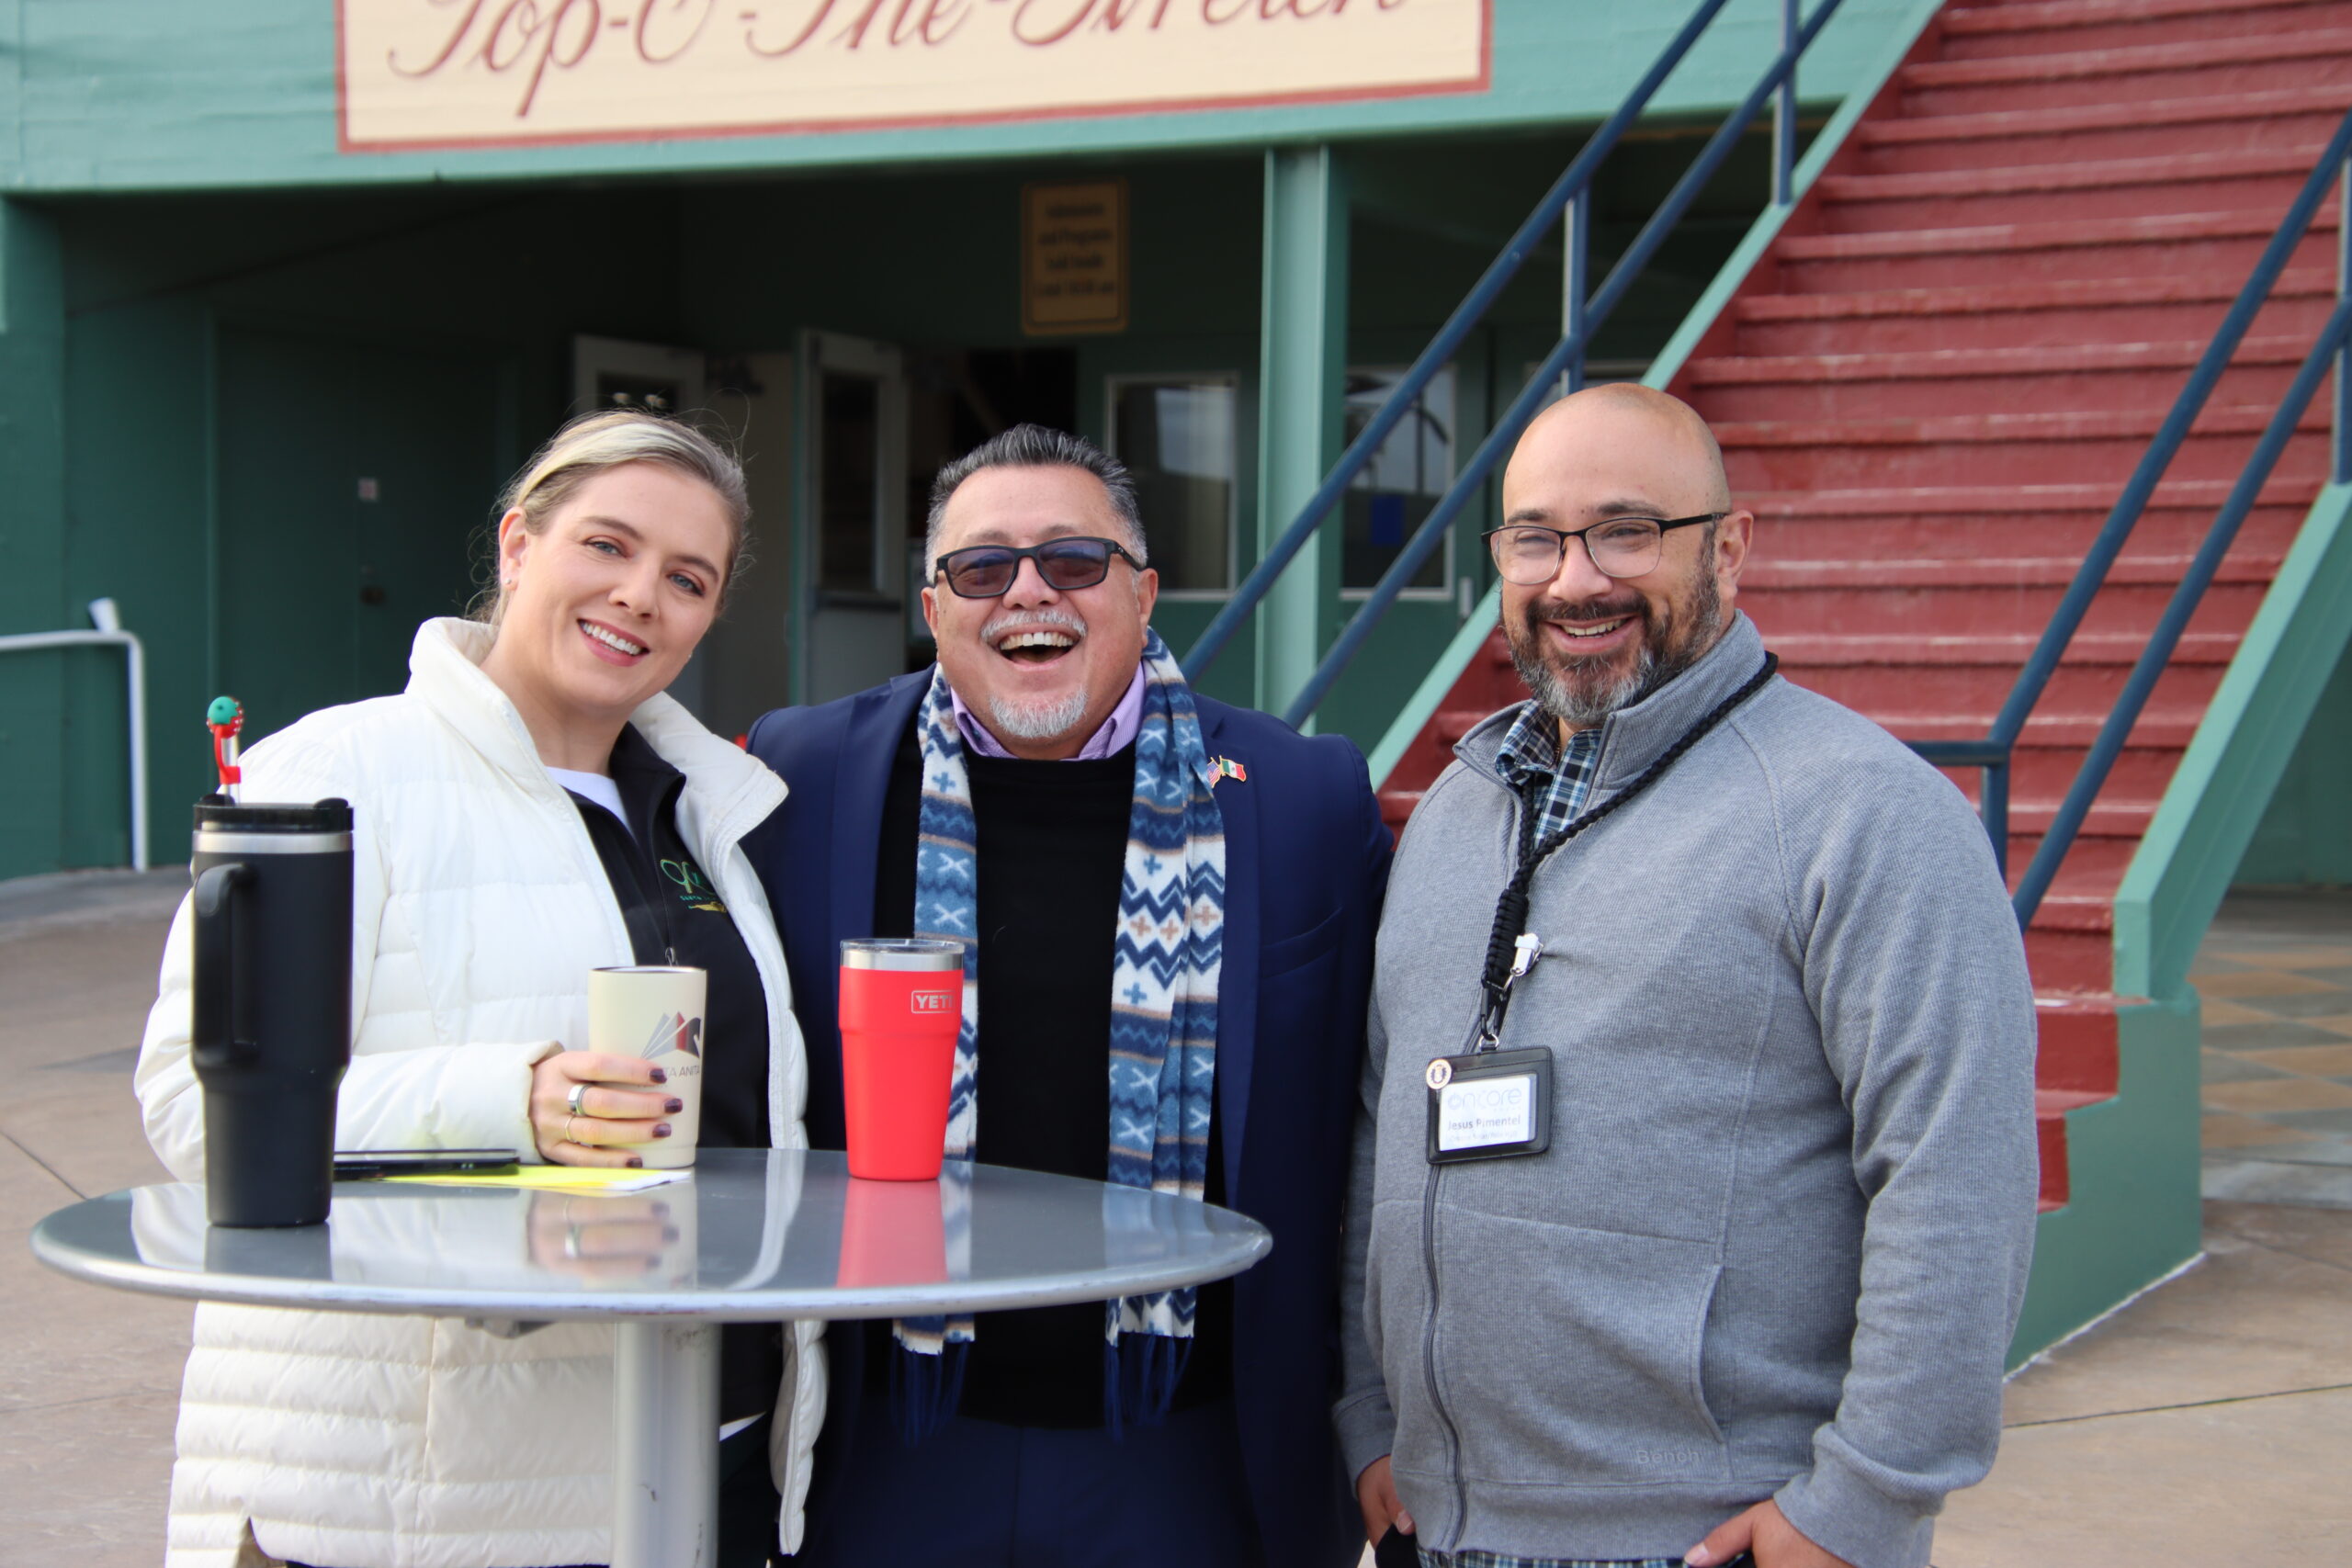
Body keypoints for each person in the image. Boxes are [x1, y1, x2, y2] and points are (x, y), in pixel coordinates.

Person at [1336, 385, 2039, 1568]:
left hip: (1709, 1540)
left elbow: (1953, 1175)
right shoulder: (1457, 812)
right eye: (1536, 540)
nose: (1575, 581)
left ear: (1729, 546)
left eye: (1625, 531)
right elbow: (1376, 1127)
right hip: (1436, 1525)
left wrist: (1860, 1506)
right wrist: (1366, 1415)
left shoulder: (1865, 815)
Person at [134, 410, 821, 1568]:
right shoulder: (334, 773)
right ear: (516, 547)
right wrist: (517, 1097)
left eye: (686, 578)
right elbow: (196, 1112)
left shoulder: (713, 810)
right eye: (606, 546)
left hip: (705, 1457)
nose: (641, 596)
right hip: (425, 1501)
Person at [744, 424, 1391, 1568]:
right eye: (982, 568)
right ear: (934, 606)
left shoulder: (1303, 799)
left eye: (1073, 563)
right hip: (887, 1446)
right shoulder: (801, 779)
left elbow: (1373, 1121)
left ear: (1142, 596)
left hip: (1189, 1457)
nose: (1028, 594)